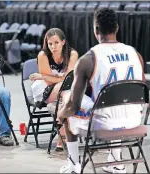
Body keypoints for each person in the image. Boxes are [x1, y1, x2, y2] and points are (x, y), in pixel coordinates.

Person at [57, 8, 145, 173]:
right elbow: (141, 91)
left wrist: (60, 114)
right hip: (134, 120)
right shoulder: (136, 55)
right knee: (116, 104)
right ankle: (117, 162)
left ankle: (73, 164)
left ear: (95, 30)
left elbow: (73, 107)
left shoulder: (87, 59)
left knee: (67, 100)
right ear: (117, 28)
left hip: (103, 124)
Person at [29, 28, 78, 151]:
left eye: (56, 43)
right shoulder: (43, 55)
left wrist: (44, 75)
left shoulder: (72, 54)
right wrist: (48, 77)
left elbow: (69, 79)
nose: (53, 47)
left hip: (63, 90)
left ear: (63, 42)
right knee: (65, 90)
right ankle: (66, 135)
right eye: (50, 43)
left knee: (62, 97)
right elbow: (50, 81)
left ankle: (61, 138)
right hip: (44, 89)